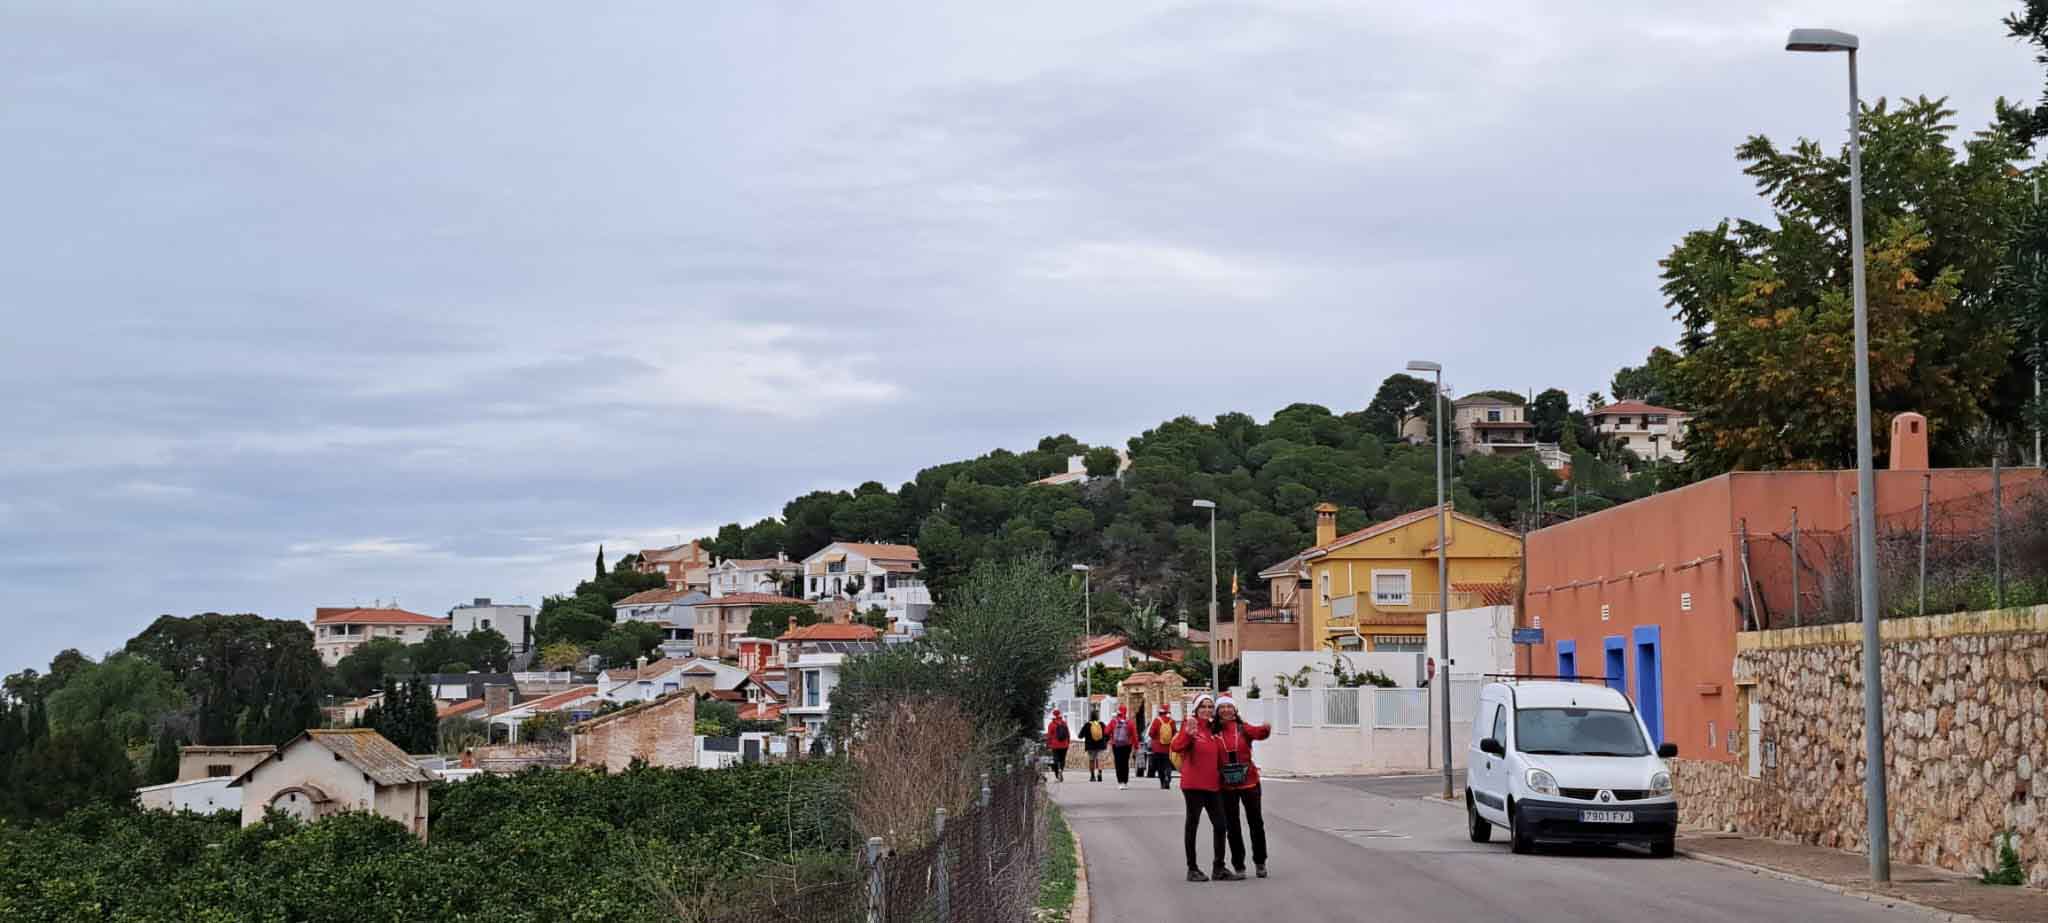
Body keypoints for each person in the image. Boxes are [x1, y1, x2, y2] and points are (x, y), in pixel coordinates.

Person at [1171, 694, 1240, 882]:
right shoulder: (1190, 724)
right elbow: (1176, 746)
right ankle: (1192, 869)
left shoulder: (1212, 729)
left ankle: (1219, 868)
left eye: (1210, 706)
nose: (1207, 710)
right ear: (1196, 708)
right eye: (1203, 706)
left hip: (1212, 785)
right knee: (1192, 825)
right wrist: (1188, 733)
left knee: (1220, 825)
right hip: (1193, 785)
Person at [1216, 695, 1273, 879]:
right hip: (1226, 785)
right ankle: (1238, 865)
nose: (1226, 710)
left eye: (1229, 707)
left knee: (1256, 822)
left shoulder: (1243, 728)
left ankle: (1260, 861)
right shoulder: (1213, 731)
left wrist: (1265, 729)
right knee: (1232, 826)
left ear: (1235, 710)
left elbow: (1259, 733)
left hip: (1249, 782)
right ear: (1217, 712)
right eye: (1222, 707)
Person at [1106, 705, 1139, 789]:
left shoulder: (1113, 721)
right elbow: (1135, 735)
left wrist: (1110, 738)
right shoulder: (1129, 722)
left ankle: (1120, 782)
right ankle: (1125, 781)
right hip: (1127, 745)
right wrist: (1136, 746)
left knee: (1118, 763)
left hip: (1116, 745)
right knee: (1125, 763)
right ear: (1125, 712)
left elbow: (1106, 731)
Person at [1146, 704, 1177, 789]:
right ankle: (1168, 777)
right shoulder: (1172, 721)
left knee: (1160, 766)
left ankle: (1163, 782)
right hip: (1168, 748)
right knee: (1168, 765)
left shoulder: (1157, 720)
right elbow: (1175, 733)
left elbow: (1151, 733)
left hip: (1157, 748)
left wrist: (1156, 739)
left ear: (1160, 712)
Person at [1081, 709, 1109, 781]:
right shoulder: (1102, 724)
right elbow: (1107, 734)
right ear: (1097, 717)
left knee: (1091, 760)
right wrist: (1105, 741)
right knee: (1099, 760)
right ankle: (1099, 773)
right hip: (1100, 745)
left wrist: (1086, 735)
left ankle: (1092, 776)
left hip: (1090, 746)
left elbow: (1080, 735)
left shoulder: (1087, 725)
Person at [1044, 709, 1071, 782]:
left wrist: (1048, 744)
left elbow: (1049, 736)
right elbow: (1068, 734)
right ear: (1060, 715)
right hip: (1064, 745)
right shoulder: (1064, 723)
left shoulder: (1051, 724)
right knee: (1062, 759)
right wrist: (1068, 743)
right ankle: (1061, 771)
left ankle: (1057, 774)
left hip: (1055, 745)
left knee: (1056, 760)